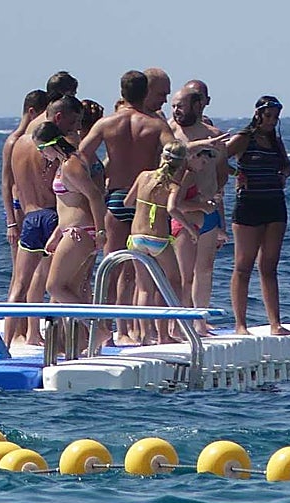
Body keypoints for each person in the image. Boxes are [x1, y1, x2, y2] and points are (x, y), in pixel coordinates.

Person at [78, 70, 174, 341]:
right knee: (140, 271)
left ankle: (110, 331)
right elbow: (175, 155)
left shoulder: (106, 124)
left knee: (111, 268)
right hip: (144, 200)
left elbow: (81, 155)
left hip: (116, 198)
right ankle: (138, 330)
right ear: (146, 93)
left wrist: (96, 184)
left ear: (122, 92)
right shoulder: (156, 126)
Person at [3, 93, 82, 345]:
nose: (74, 126)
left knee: (19, 285)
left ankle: (7, 342)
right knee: (56, 284)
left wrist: (11, 221)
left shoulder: (18, 144)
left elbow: (8, 185)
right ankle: (59, 341)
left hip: (29, 218)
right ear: (58, 117)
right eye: (72, 121)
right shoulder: (58, 146)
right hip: (53, 218)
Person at [224, 96, 290, 336]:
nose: (272, 121)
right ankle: (240, 325)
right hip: (249, 205)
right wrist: (237, 174)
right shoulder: (245, 138)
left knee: (269, 266)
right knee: (243, 266)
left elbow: (287, 165)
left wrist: (284, 174)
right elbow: (219, 158)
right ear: (258, 114)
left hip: (274, 203)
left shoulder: (275, 141)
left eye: (275, 117)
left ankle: (275, 323)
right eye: (268, 116)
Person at [169, 82, 228, 331]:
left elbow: (220, 178)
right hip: (183, 213)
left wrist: (222, 222)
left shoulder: (215, 136)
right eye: (173, 106)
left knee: (205, 271)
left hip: (210, 212)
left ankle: (200, 323)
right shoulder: (169, 133)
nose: (176, 111)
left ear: (197, 106)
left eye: (180, 106)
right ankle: (180, 325)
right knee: (184, 275)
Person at [124, 142, 195, 344]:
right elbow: (172, 209)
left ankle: (144, 335)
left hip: (136, 237)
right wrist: (190, 229)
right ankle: (163, 335)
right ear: (180, 165)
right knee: (170, 283)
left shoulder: (143, 176)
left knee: (144, 288)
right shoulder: (173, 186)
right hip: (158, 239)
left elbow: (127, 202)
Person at [35, 112, 107, 306]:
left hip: (80, 231)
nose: (41, 154)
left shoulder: (70, 165)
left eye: (41, 148)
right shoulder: (64, 164)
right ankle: (87, 326)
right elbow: (68, 203)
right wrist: (57, 234)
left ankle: (94, 324)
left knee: (54, 287)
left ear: (51, 144)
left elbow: (94, 195)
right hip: (72, 230)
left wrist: (101, 231)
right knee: (73, 290)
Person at [1, 90, 47, 273]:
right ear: (32, 112)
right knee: (19, 266)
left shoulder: (33, 141)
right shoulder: (14, 141)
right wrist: (11, 223)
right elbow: (6, 183)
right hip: (18, 206)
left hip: (33, 206)